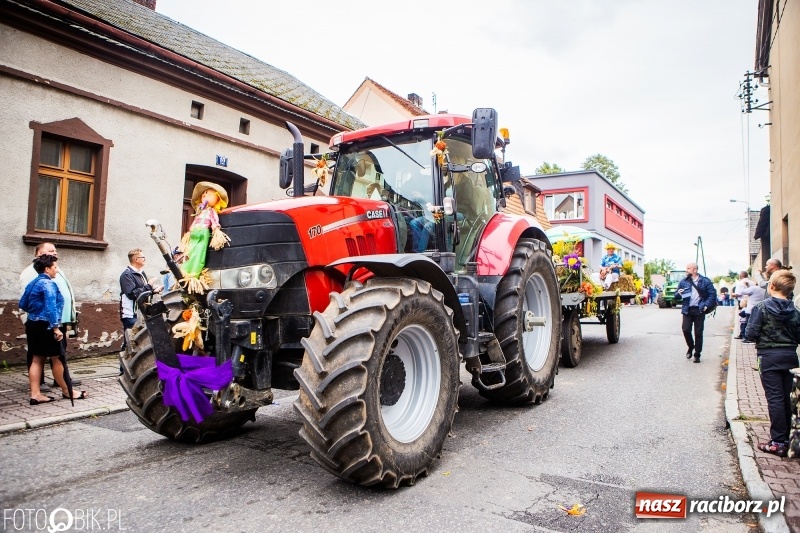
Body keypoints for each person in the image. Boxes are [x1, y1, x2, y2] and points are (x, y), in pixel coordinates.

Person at [744, 270, 800, 457]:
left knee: (775, 399)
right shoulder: (795, 310)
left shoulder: (761, 308)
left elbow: (750, 334)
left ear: (772, 286)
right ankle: (789, 438)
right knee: (787, 398)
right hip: (790, 357)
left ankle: (778, 441)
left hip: (768, 357)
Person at [19, 254, 87, 404]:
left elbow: (22, 304)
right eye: (54, 267)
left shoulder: (33, 283)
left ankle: (35, 394)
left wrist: (36, 311)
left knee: (37, 359)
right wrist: (55, 328)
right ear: (47, 269)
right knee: (57, 359)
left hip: (33, 324)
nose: (56, 270)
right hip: (47, 325)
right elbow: (51, 308)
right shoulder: (48, 284)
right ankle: (68, 391)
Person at [119, 249, 160, 373]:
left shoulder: (141, 273)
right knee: (130, 341)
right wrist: (149, 286)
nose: (145, 259)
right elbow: (132, 294)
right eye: (143, 257)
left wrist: (153, 290)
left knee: (138, 340)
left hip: (141, 312)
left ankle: (135, 368)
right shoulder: (126, 275)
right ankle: (123, 371)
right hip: (130, 313)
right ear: (135, 259)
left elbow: (142, 291)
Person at [677, 262, 717, 363]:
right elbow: (676, 296)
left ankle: (697, 354)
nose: (686, 270)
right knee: (686, 330)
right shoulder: (683, 282)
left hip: (699, 309)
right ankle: (691, 346)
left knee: (698, 333)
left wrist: (706, 305)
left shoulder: (705, 281)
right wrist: (678, 293)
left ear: (695, 270)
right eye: (686, 268)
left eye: (688, 268)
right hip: (687, 309)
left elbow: (712, 295)